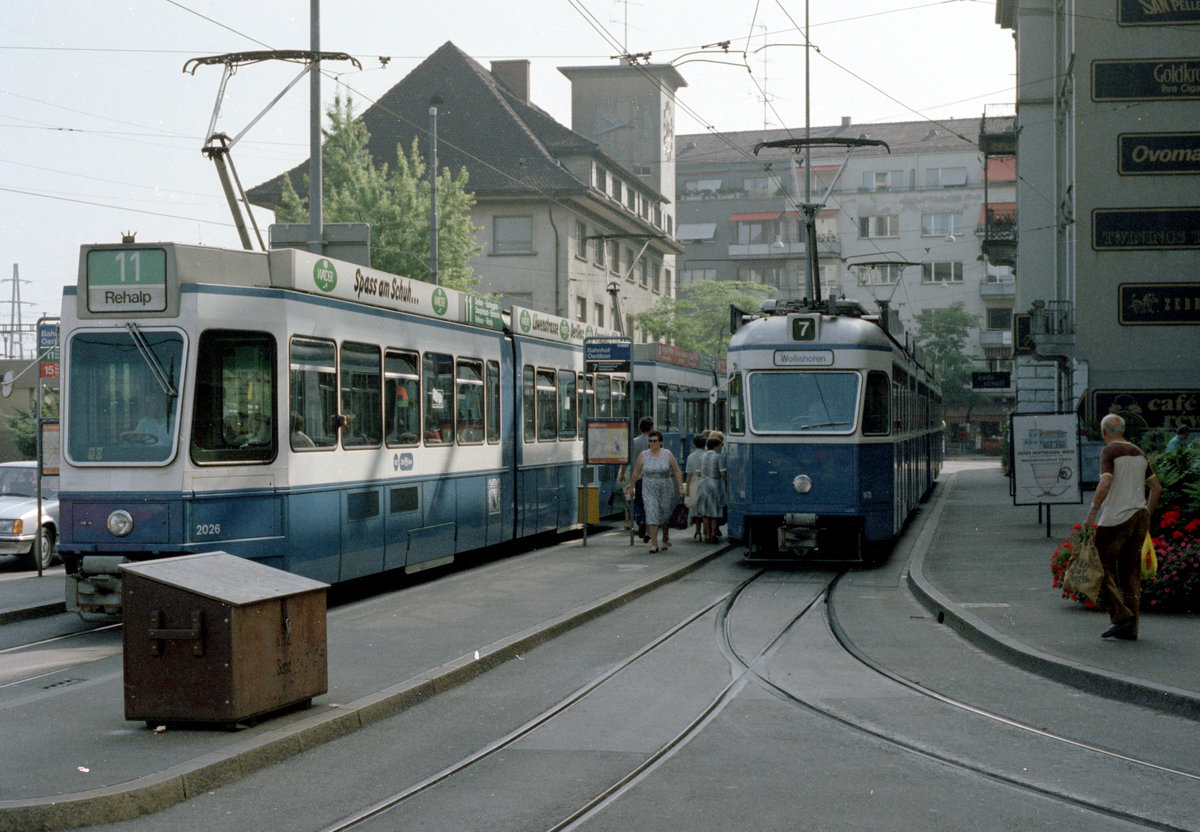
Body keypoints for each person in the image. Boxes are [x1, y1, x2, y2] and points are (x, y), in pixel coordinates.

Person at [1087, 413, 1162, 641]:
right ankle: (1131, 629)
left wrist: (1093, 510)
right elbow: (1156, 488)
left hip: (1116, 518)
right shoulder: (1139, 452)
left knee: (1097, 567)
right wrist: (1146, 513)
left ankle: (1120, 616)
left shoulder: (1109, 451)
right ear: (1124, 430)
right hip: (1139, 516)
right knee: (1130, 575)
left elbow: (1106, 481)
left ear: (1104, 432)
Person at [624, 429, 684, 553]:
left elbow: (677, 470)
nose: (652, 443)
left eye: (655, 441)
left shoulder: (667, 454)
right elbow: (636, 471)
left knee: (665, 512)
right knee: (651, 512)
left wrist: (680, 486)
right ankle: (654, 543)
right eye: (650, 441)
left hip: (665, 486)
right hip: (649, 487)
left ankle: (665, 536)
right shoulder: (643, 455)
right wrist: (632, 484)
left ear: (660, 442)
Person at [621, 417, 655, 542]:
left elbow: (626, 460)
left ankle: (640, 520)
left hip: (638, 478)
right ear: (651, 428)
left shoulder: (634, 442)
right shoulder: (654, 442)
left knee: (638, 502)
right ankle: (647, 529)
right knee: (650, 503)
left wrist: (622, 474)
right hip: (651, 477)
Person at [691, 433, 727, 543]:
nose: (721, 448)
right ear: (715, 446)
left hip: (702, 483)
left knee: (705, 512)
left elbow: (698, 473)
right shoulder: (718, 457)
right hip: (714, 484)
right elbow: (722, 473)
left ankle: (706, 534)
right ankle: (713, 534)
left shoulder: (702, 456)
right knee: (714, 511)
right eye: (720, 446)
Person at [684, 432, 709, 541]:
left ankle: (697, 532)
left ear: (694, 444)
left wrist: (688, 489)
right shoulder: (707, 455)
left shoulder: (691, 457)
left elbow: (688, 475)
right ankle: (707, 532)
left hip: (694, 483)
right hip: (706, 482)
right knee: (706, 508)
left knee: (696, 509)